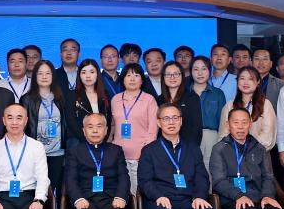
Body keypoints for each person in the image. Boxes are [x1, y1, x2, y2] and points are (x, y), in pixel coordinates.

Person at [110, 63, 160, 193]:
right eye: (128, 75)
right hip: (118, 155)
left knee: (137, 193)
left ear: (142, 80)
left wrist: (145, 153)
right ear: (123, 79)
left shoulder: (149, 99)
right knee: (120, 192)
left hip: (140, 156)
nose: (132, 79)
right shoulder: (115, 100)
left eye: (136, 75)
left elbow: (153, 130)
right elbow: (113, 126)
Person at [22, 60, 69, 192]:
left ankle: (53, 207)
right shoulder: (27, 99)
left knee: (52, 190)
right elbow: (24, 126)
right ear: (35, 76)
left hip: (57, 152)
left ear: (53, 76)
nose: (44, 76)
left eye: (48, 73)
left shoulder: (61, 97)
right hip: (36, 152)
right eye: (40, 73)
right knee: (37, 189)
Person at [218, 66, 277, 151]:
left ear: (258, 82)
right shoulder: (229, 105)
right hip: (233, 154)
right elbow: (223, 133)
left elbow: (268, 134)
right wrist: (235, 150)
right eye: (242, 78)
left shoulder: (265, 104)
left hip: (258, 153)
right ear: (237, 81)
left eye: (250, 79)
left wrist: (248, 149)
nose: (246, 82)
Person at [190, 56, 227, 170]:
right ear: (191, 72)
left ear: (210, 71)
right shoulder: (185, 93)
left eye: (204, 69)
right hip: (189, 136)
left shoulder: (218, 93)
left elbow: (222, 121)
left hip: (211, 135)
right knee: (190, 167)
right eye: (196, 69)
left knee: (210, 168)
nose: (200, 73)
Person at [66, 58, 112, 149]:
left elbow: (108, 120)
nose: (88, 76)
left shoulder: (105, 94)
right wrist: (88, 139)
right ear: (79, 75)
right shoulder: (72, 95)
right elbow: (71, 121)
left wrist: (102, 138)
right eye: (83, 72)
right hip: (79, 141)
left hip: (101, 140)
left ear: (97, 74)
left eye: (92, 72)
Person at [159, 60, 201, 148]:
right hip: (163, 148)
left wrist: (190, 149)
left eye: (176, 74)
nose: (172, 77)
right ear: (163, 77)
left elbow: (196, 128)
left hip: (186, 148)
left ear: (182, 76)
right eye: (168, 74)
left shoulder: (192, 97)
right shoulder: (159, 99)